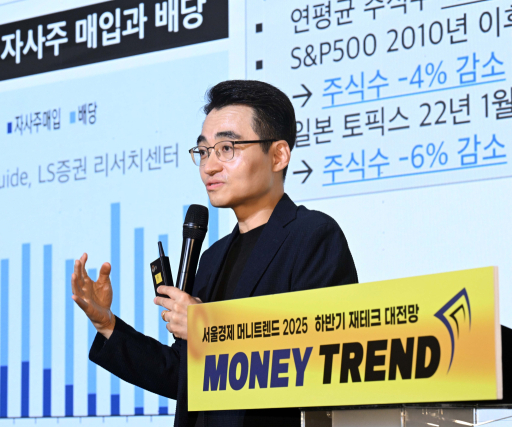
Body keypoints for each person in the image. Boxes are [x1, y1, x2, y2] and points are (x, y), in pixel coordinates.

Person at [71, 80, 358, 426]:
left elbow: (320, 357)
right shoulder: (212, 258)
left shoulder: (313, 236)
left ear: (278, 155)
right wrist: (107, 324)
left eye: (227, 148)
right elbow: (182, 375)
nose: (209, 166)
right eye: (204, 151)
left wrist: (210, 328)